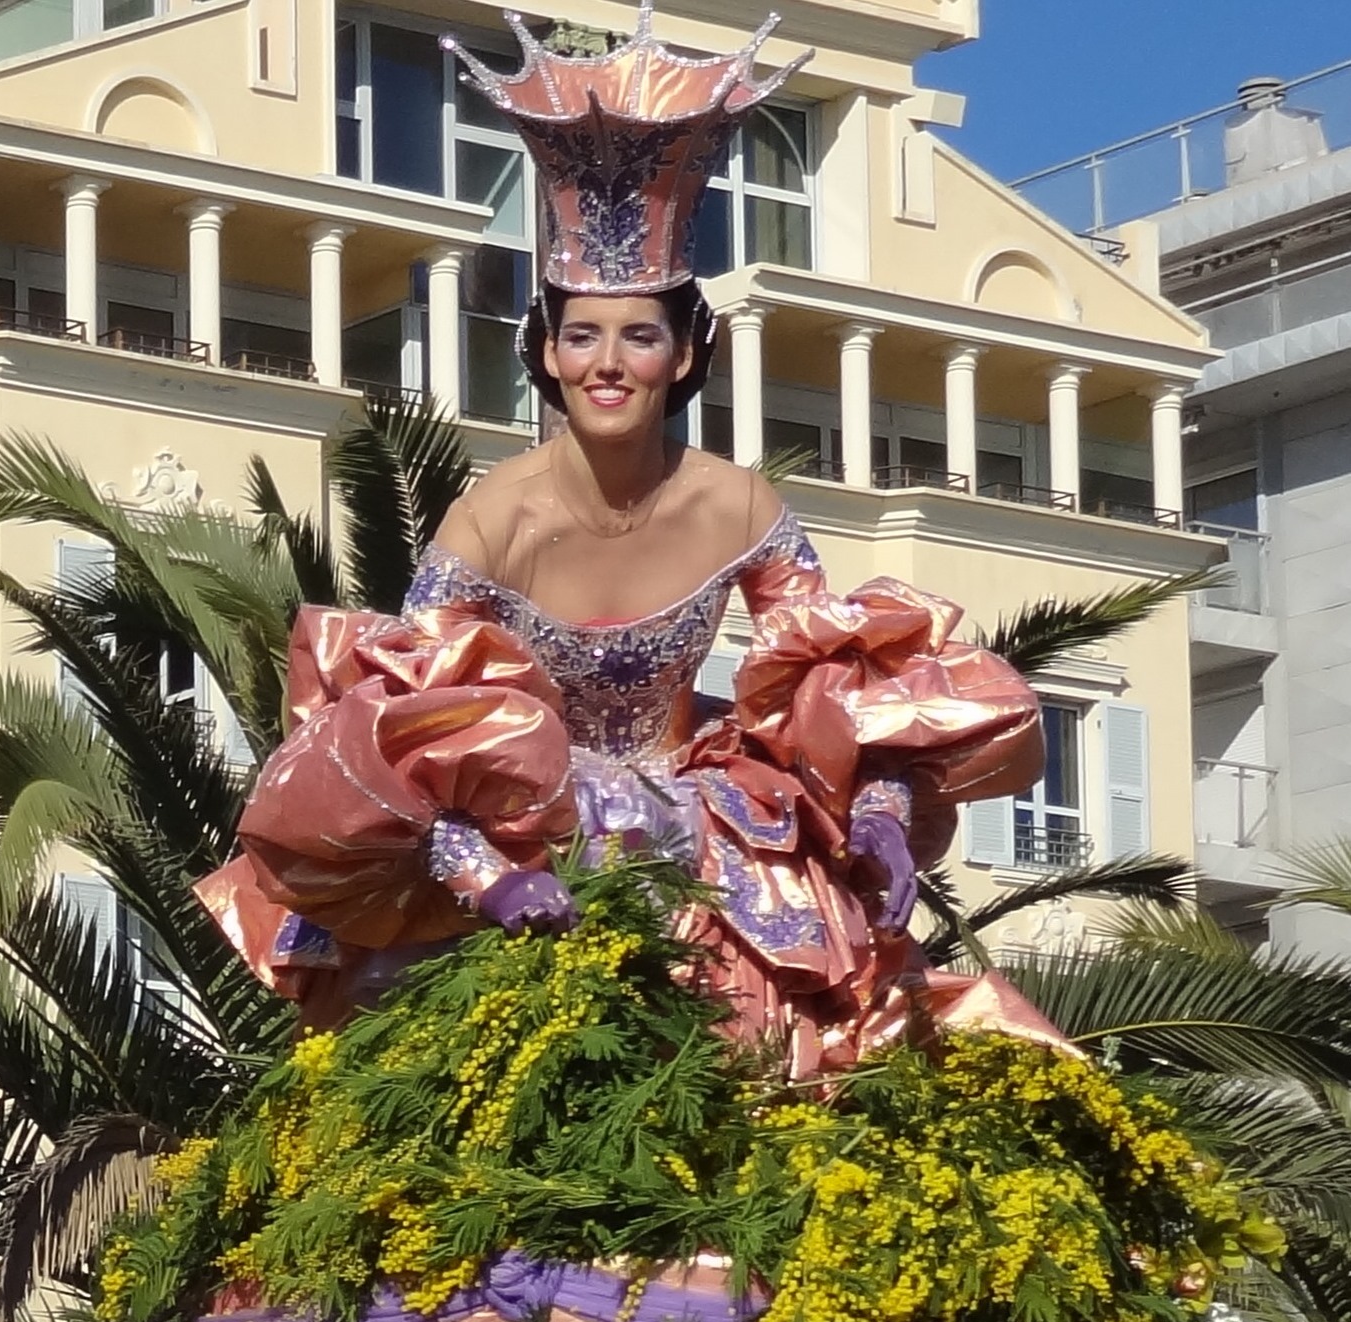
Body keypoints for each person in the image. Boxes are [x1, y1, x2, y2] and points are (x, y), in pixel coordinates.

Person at [199, 4, 1047, 1076]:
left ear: (683, 353)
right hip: (539, 837)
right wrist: (487, 877)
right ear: (546, 353)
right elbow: (395, 728)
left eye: (638, 334)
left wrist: (878, 808)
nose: (607, 363)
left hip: (703, 823)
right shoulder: (490, 521)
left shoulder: (743, 511)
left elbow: (841, 690)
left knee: (810, 1030)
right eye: (581, 335)